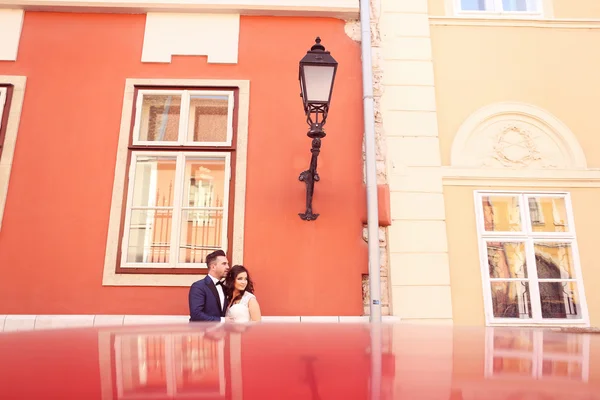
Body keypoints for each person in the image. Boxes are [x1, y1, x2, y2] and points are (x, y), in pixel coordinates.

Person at [188, 250, 231, 322]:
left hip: (221, 332)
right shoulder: (198, 286)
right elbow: (196, 314)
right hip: (202, 332)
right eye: (224, 264)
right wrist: (222, 320)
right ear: (213, 267)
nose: (228, 267)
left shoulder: (224, 287)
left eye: (227, 264)